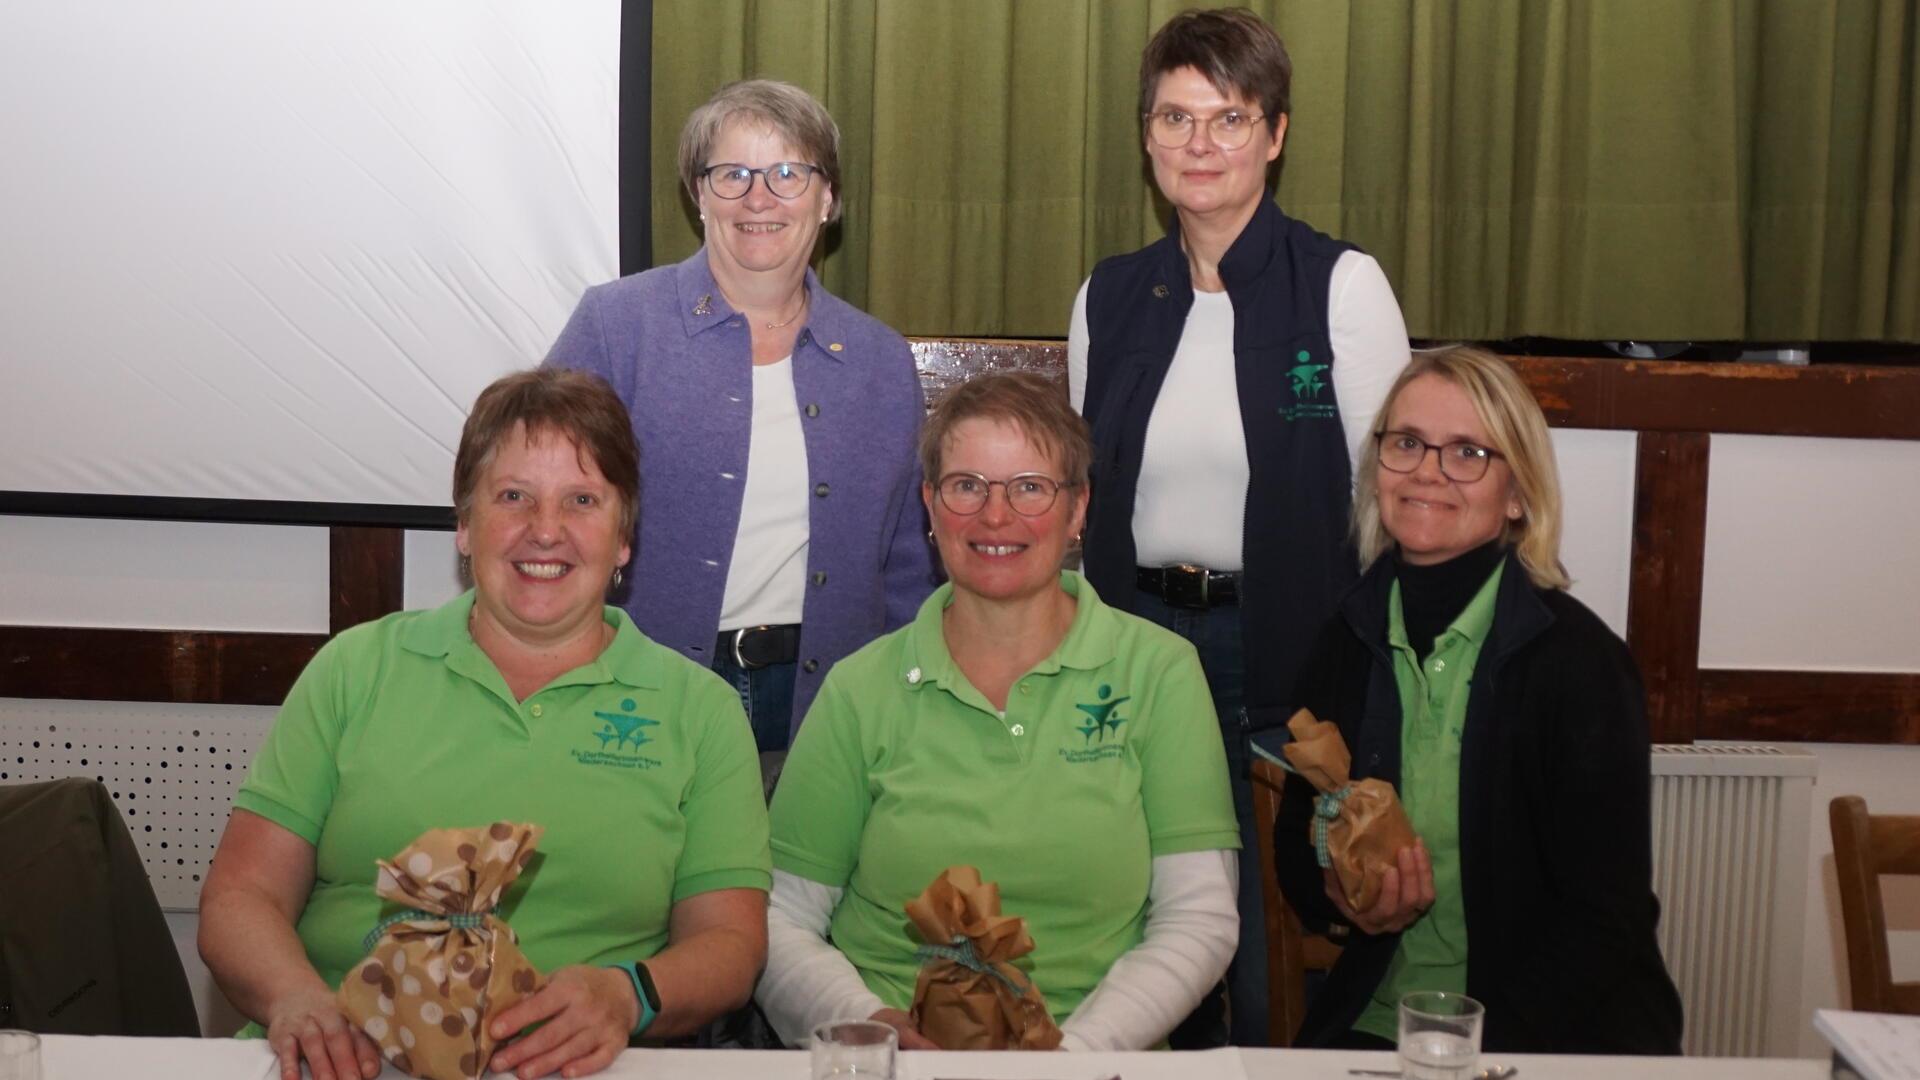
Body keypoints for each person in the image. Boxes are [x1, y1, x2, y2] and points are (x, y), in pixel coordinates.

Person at [199, 369, 771, 1080]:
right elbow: (238, 899)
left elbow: (730, 945)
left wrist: (630, 995)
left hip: (570, 1068)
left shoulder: (700, 710)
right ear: (465, 525)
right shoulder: (356, 669)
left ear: (624, 537)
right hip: (342, 1060)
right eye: (513, 497)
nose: (546, 530)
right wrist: (297, 1001)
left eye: (583, 500)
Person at [1066, 8, 1412, 1044]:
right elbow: (1089, 500)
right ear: (1146, 135)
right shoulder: (1112, 295)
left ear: (1275, 133)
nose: (1199, 144)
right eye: (1175, 118)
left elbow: (1388, 502)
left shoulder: (1340, 287)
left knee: (1260, 941)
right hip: (1137, 647)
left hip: (1289, 657)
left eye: (1228, 118)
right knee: (1140, 919)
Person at [755, 372, 1240, 1051]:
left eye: (1031, 488)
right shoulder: (859, 689)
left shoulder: (1159, 672)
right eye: (966, 486)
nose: (995, 516)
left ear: (1078, 512)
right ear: (929, 505)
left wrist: (1073, 1058)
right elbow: (777, 918)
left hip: (1097, 1059)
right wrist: (867, 1028)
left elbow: (1200, 917)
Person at [1273, 346, 1683, 1053]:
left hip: (1552, 1035)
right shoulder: (1343, 640)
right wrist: (1342, 894)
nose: (1428, 471)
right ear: (1378, 470)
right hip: (1381, 1024)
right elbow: (1298, 844)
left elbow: (1605, 922)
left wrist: (1470, 1052)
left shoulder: (1581, 666)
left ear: (1518, 494)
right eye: (1406, 444)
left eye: (1466, 452)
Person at [546, 79, 935, 755]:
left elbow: (905, 569)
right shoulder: (615, 326)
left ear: (829, 199)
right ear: (699, 196)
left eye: (788, 173)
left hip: (826, 708)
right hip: (636, 697)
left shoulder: (879, 360)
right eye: (732, 174)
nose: (759, 198)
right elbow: (542, 515)